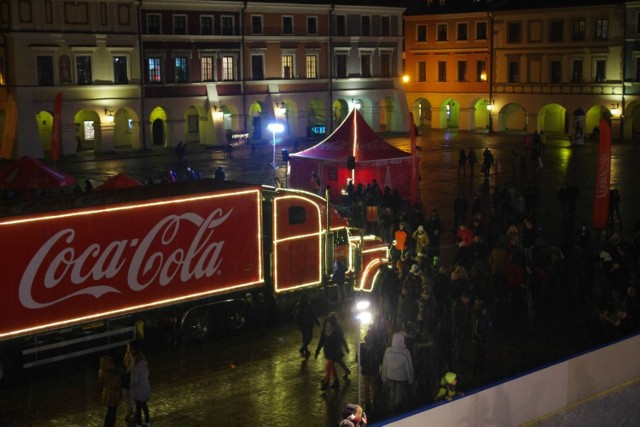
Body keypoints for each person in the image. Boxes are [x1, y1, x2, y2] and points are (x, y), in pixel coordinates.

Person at [381, 332, 414, 412]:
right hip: (401, 378)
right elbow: (409, 367)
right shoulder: (405, 352)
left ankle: (391, 410)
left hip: (390, 376)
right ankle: (397, 411)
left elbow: (384, 365)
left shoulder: (388, 351)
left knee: (392, 394)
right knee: (399, 396)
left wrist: (383, 378)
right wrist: (411, 379)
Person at [315, 312, 349, 390]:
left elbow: (341, 339)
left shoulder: (334, 328)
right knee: (331, 366)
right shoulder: (334, 328)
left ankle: (326, 383)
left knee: (328, 367)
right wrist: (318, 350)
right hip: (329, 350)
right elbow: (322, 339)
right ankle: (336, 381)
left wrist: (346, 347)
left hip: (333, 351)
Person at [129, 342, 151, 427]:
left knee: (138, 409)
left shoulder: (136, 368)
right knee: (144, 406)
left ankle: (139, 424)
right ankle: (147, 421)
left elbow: (135, 381)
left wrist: (130, 385)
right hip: (145, 388)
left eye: (131, 356)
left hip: (138, 391)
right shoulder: (144, 364)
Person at [292, 293, 320, 358]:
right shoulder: (301, 305)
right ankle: (304, 348)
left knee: (308, 336)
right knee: (306, 336)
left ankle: (304, 348)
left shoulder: (307, 305)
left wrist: (316, 320)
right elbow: (313, 313)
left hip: (307, 323)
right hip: (304, 323)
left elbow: (313, 313)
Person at [98, 355, 121, 427]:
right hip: (112, 396)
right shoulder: (112, 375)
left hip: (106, 394)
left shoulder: (102, 372)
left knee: (109, 412)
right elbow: (115, 386)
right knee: (112, 413)